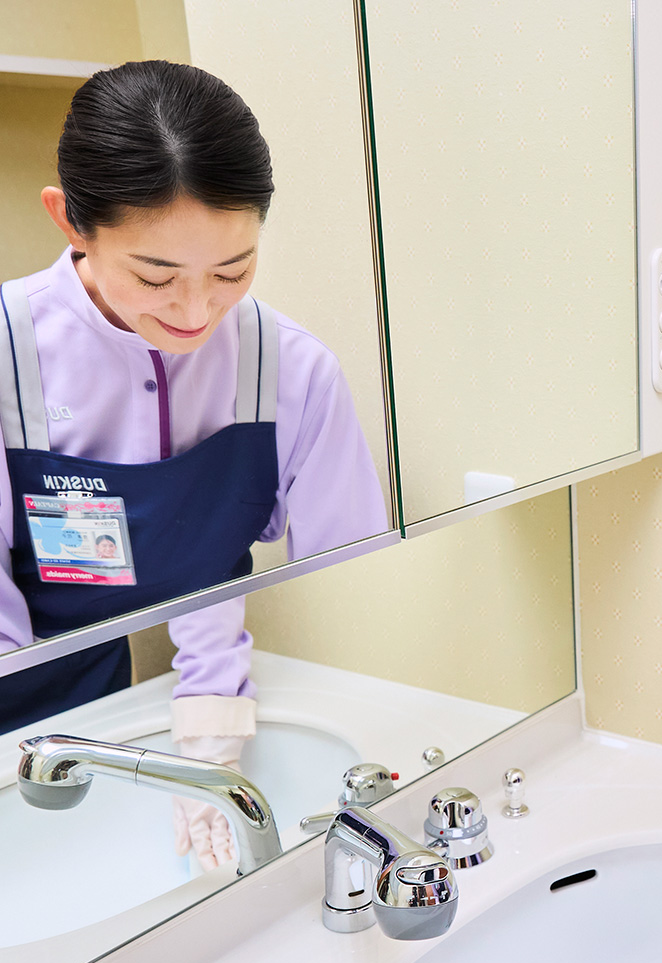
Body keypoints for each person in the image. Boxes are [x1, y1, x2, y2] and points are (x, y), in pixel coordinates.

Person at [0, 61, 388, 869]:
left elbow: (337, 570)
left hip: (101, 689)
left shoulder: (292, 370)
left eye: (232, 271)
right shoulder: (9, 354)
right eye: (155, 276)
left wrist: (212, 724)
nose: (196, 310)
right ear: (71, 221)